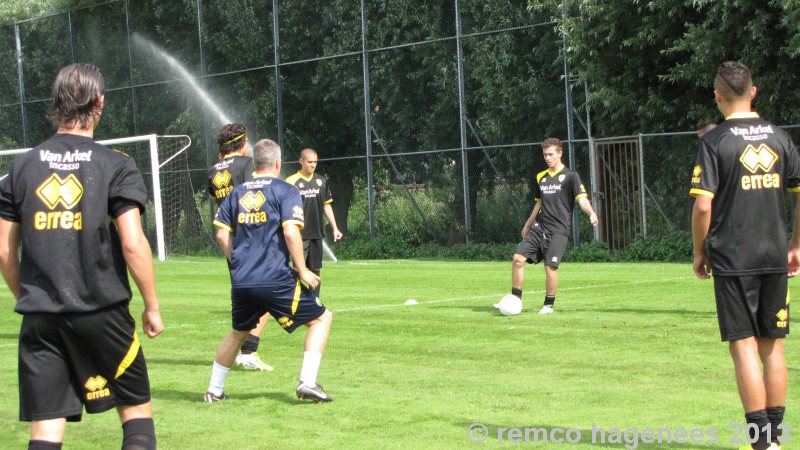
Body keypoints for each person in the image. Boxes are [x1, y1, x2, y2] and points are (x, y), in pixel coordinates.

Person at [0, 63, 164, 450]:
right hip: (102, 312)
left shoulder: (19, 168)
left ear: (55, 105)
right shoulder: (116, 165)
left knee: (45, 430)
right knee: (136, 414)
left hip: (41, 317)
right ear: (100, 103)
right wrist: (152, 305)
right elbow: (133, 243)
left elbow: (4, 250)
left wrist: (29, 296)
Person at [691, 61, 797, 450]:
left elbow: (703, 208)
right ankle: (775, 438)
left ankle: (760, 442)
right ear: (753, 91)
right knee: (774, 346)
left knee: (744, 347)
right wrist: (796, 244)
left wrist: (699, 252)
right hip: (774, 254)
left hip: (734, 257)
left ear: (718, 97)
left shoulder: (715, 141)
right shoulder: (781, 137)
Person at [205, 138, 334, 403]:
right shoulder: (284, 190)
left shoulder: (236, 193)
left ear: (255, 163)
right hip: (275, 278)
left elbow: (221, 236)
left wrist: (238, 261)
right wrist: (303, 270)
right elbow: (290, 231)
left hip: (242, 281)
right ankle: (307, 383)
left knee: (238, 332)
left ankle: (214, 391)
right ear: (277, 163)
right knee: (322, 319)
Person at [208, 123, 273, 372]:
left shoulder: (213, 171)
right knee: (265, 294)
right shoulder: (246, 166)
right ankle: (248, 351)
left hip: (230, 239)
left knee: (248, 295)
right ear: (242, 142)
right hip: (251, 237)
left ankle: (245, 351)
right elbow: (254, 195)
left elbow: (220, 205)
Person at [509, 138, 598, 314]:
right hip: (539, 227)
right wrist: (527, 225)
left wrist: (591, 213)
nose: (548, 158)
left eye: (551, 154)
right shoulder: (540, 177)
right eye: (545, 155)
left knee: (550, 267)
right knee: (518, 258)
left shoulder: (571, 176)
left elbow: (582, 200)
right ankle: (515, 300)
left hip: (558, 230)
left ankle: (548, 305)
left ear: (560, 153)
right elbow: (538, 204)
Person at [285, 148, 343, 297]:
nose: (313, 165)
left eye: (315, 162)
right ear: (301, 161)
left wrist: (335, 228)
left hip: (316, 233)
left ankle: (314, 302)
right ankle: (294, 301)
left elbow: (326, 205)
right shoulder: (291, 182)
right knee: (298, 269)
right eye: (310, 162)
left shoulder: (321, 181)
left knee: (315, 269)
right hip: (299, 234)